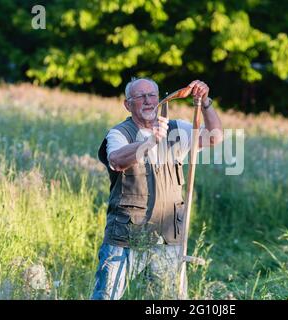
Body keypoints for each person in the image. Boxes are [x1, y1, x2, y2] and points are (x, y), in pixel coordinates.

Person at [91, 77, 223, 300]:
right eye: (140, 96)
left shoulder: (176, 128)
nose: (148, 100)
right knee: (106, 296)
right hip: (126, 237)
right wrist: (149, 142)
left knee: (166, 301)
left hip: (167, 236)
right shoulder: (119, 134)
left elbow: (215, 138)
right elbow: (116, 160)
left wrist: (206, 102)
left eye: (152, 95)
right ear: (127, 104)